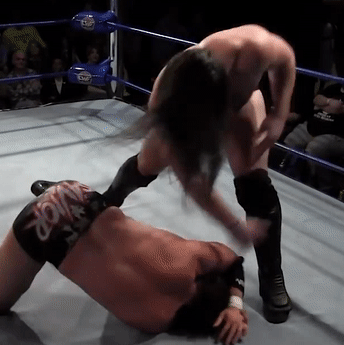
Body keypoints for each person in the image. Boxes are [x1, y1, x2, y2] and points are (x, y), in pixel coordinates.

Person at [99, 24, 297, 324]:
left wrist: (279, 113)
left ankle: (272, 275)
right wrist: (234, 226)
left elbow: (285, 59)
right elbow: (193, 180)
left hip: (242, 105)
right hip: (189, 113)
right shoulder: (168, 97)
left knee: (255, 185)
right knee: (146, 165)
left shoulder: (252, 48)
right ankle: (106, 201)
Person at [0, 180, 249, 345]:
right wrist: (229, 312)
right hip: (43, 227)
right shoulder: (155, 320)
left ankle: (47, 189)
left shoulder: (191, 259)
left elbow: (234, 261)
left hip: (76, 193)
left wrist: (236, 303)